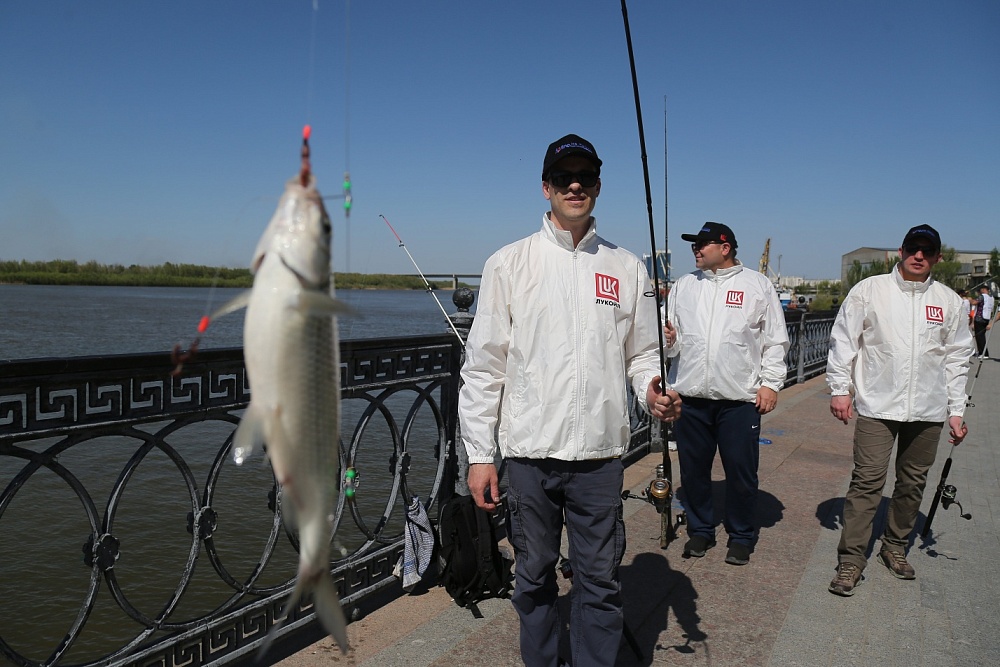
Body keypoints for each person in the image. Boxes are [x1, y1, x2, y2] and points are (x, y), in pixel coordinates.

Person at [458, 133, 682, 667]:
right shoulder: (508, 263)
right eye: (564, 178)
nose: (574, 185)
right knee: (532, 580)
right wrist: (480, 456)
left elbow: (643, 354)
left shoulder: (627, 266)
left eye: (585, 177)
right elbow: (484, 368)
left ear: (599, 187)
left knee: (600, 581)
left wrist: (653, 390)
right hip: (530, 457)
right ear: (546, 188)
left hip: (601, 459)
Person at [826, 224, 975, 597]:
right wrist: (840, 390)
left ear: (938, 257)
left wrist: (956, 411)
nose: (919, 255)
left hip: (928, 410)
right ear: (901, 250)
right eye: (913, 248)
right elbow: (844, 341)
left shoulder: (950, 302)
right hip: (878, 405)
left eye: (927, 250)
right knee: (868, 481)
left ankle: (894, 547)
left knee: (912, 484)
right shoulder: (870, 290)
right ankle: (851, 559)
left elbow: (958, 358)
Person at [662, 222, 789, 566]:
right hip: (689, 398)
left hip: (739, 400)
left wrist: (770, 383)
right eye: (694, 245)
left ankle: (741, 535)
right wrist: (668, 341)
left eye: (702, 244)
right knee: (693, 472)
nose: (696, 250)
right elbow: (670, 343)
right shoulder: (684, 286)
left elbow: (775, 340)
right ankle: (700, 530)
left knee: (741, 472)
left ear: (726, 247)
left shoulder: (757, 285)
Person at [973, 284, 994, 359]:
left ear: (983, 290)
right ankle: (982, 352)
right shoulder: (991, 298)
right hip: (986, 318)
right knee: (981, 336)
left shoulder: (982, 296)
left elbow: (974, 302)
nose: (980, 291)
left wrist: (969, 299)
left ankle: (984, 353)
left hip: (980, 318)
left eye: (981, 290)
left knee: (979, 337)